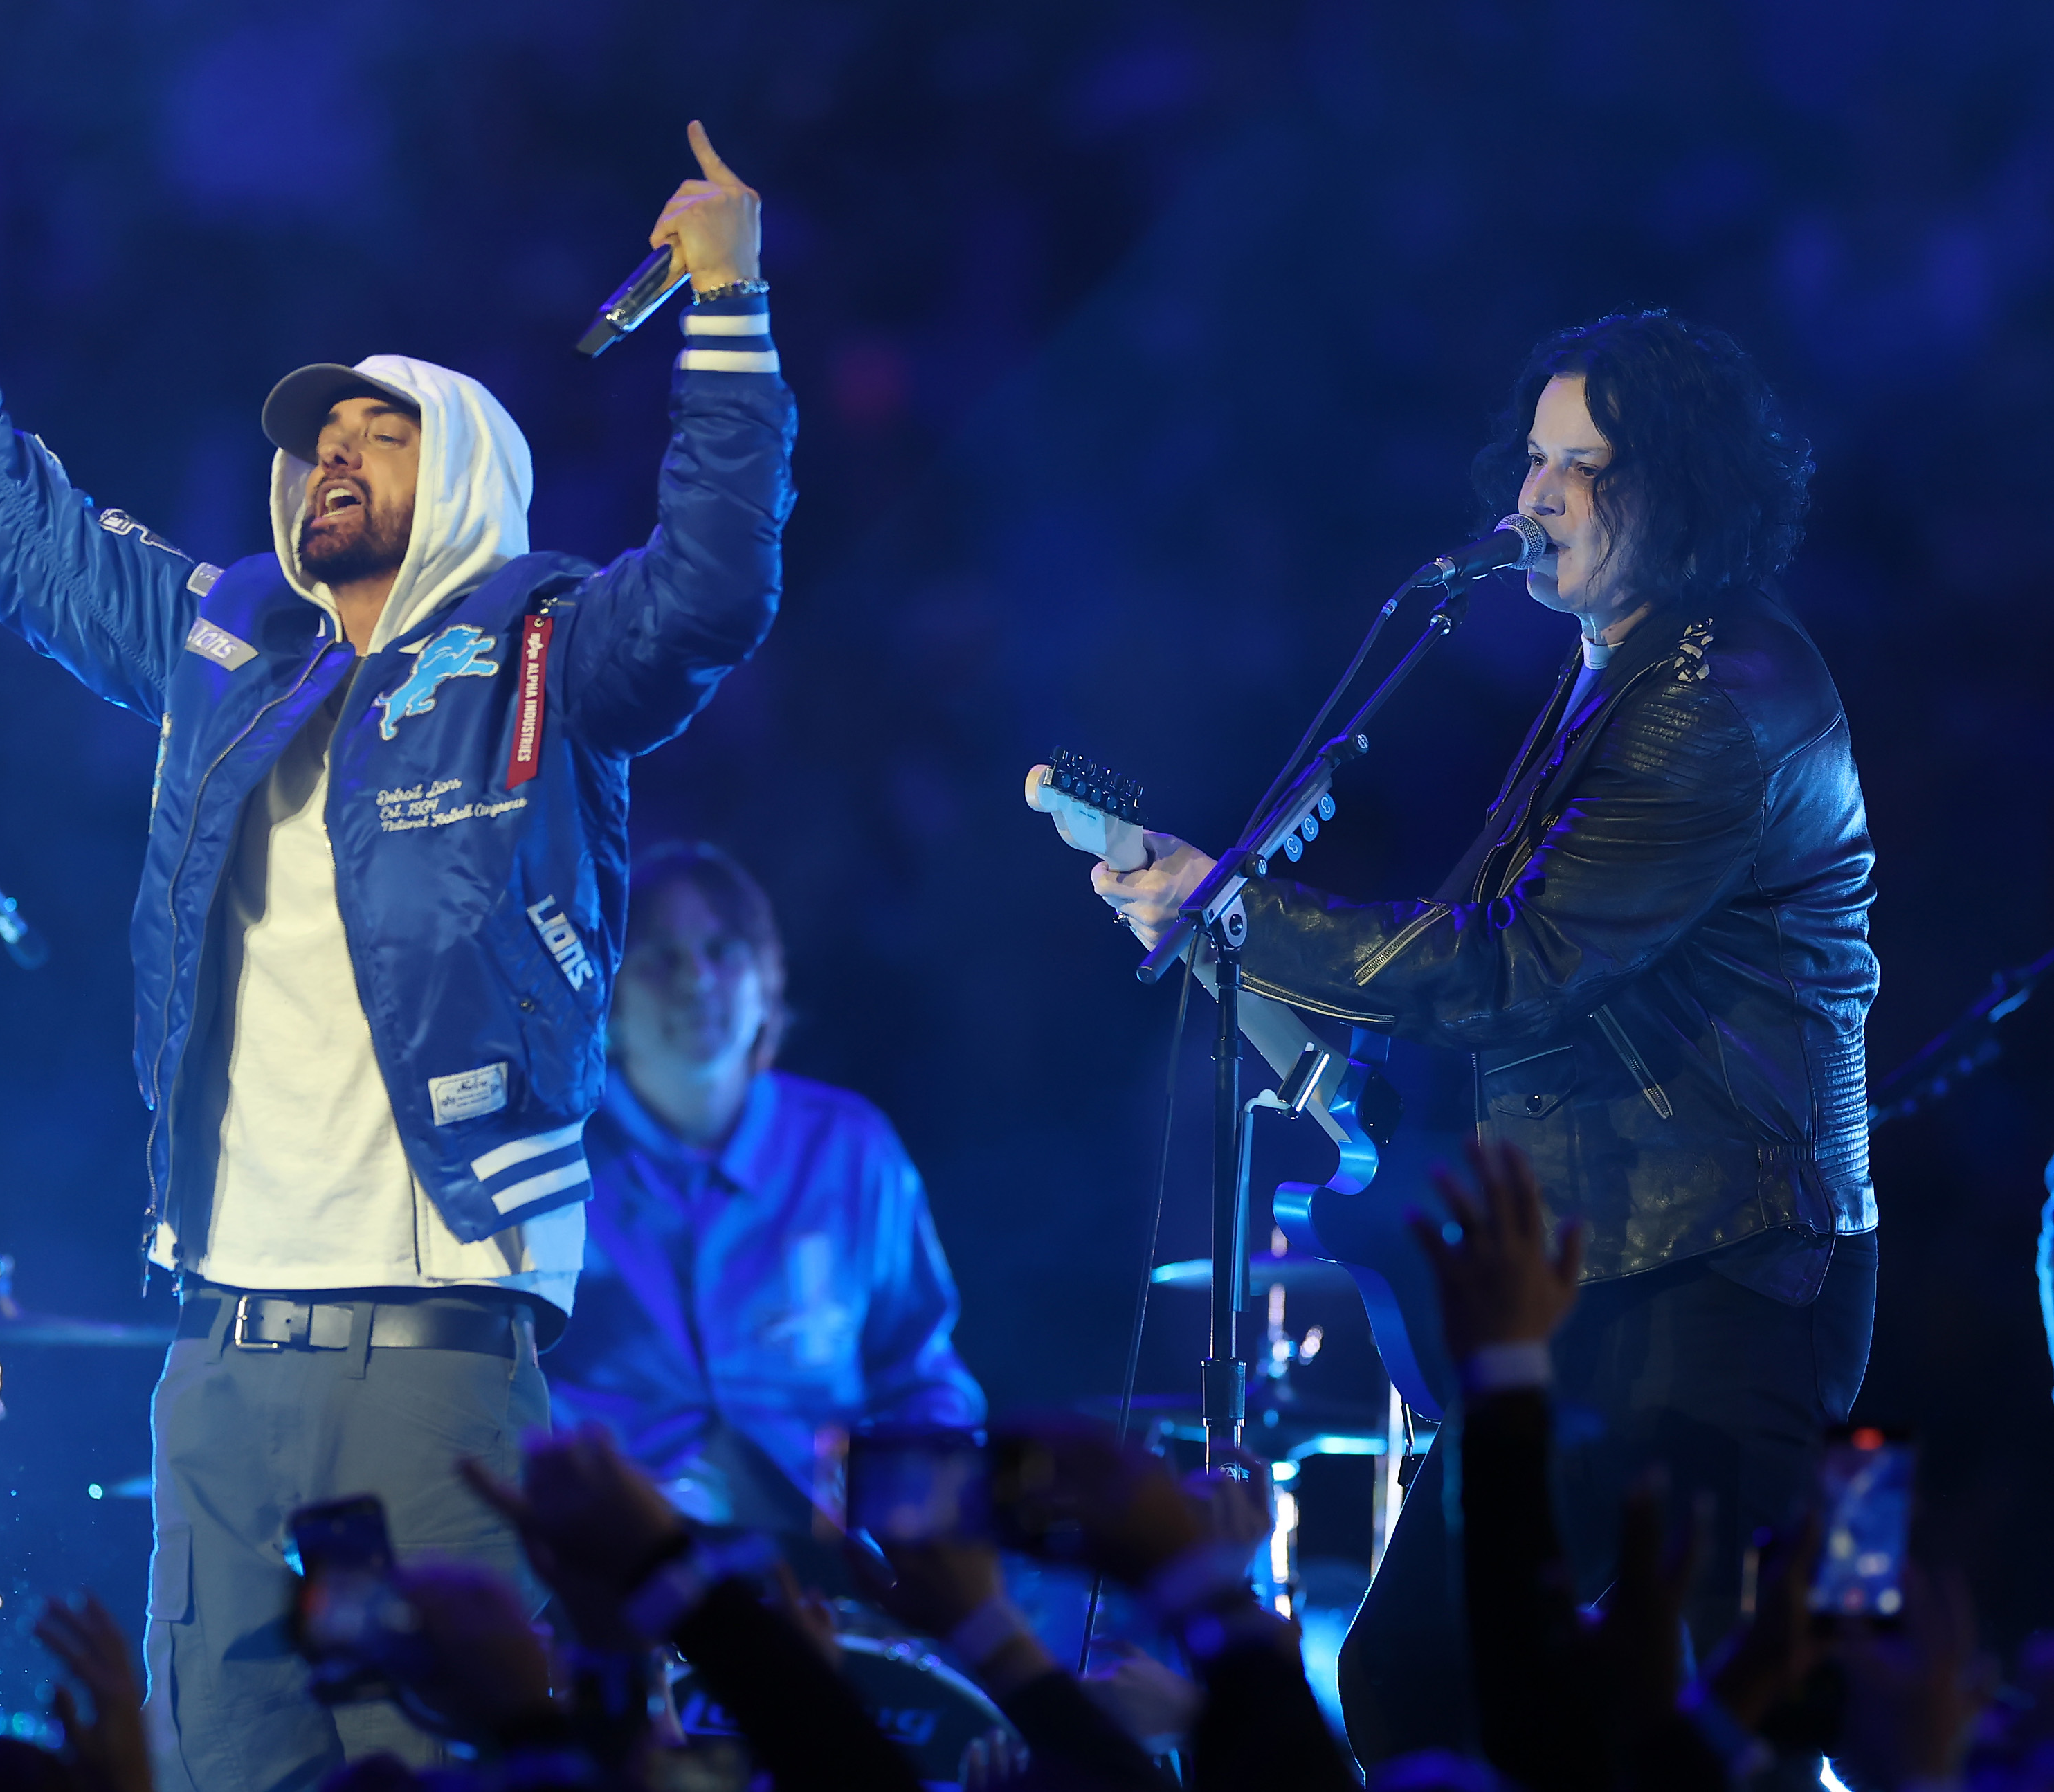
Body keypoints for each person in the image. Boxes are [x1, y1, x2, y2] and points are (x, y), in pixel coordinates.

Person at [0, 61, 794, 1792]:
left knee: (445, 1766)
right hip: (220, 1349)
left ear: (472, 473)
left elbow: (717, 584)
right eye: (317, 439)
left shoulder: (548, 648)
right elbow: (9, 525)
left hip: (436, 1358)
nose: (330, 454)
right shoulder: (226, 647)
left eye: (380, 430)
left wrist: (725, 309)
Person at [1091, 311, 1877, 1766]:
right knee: (1424, 1672)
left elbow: (1518, 964)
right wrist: (1235, 933)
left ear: (1683, 486)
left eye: (1584, 465)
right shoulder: (1614, 669)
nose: (1533, 496)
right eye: (1531, 457)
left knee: (1695, 1707)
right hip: (1601, 1267)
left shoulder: (1719, 699)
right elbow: (1485, 952)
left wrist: (1239, 907)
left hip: (1716, 1277)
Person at [537, 842, 984, 1548]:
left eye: (722, 950)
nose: (696, 980)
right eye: (658, 958)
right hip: (618, 1560)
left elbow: (917, 1371)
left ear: (766, 980)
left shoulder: (849, 1148)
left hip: (827, 1558)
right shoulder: (552, 1164)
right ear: (607, 999)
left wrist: (911, 1506)